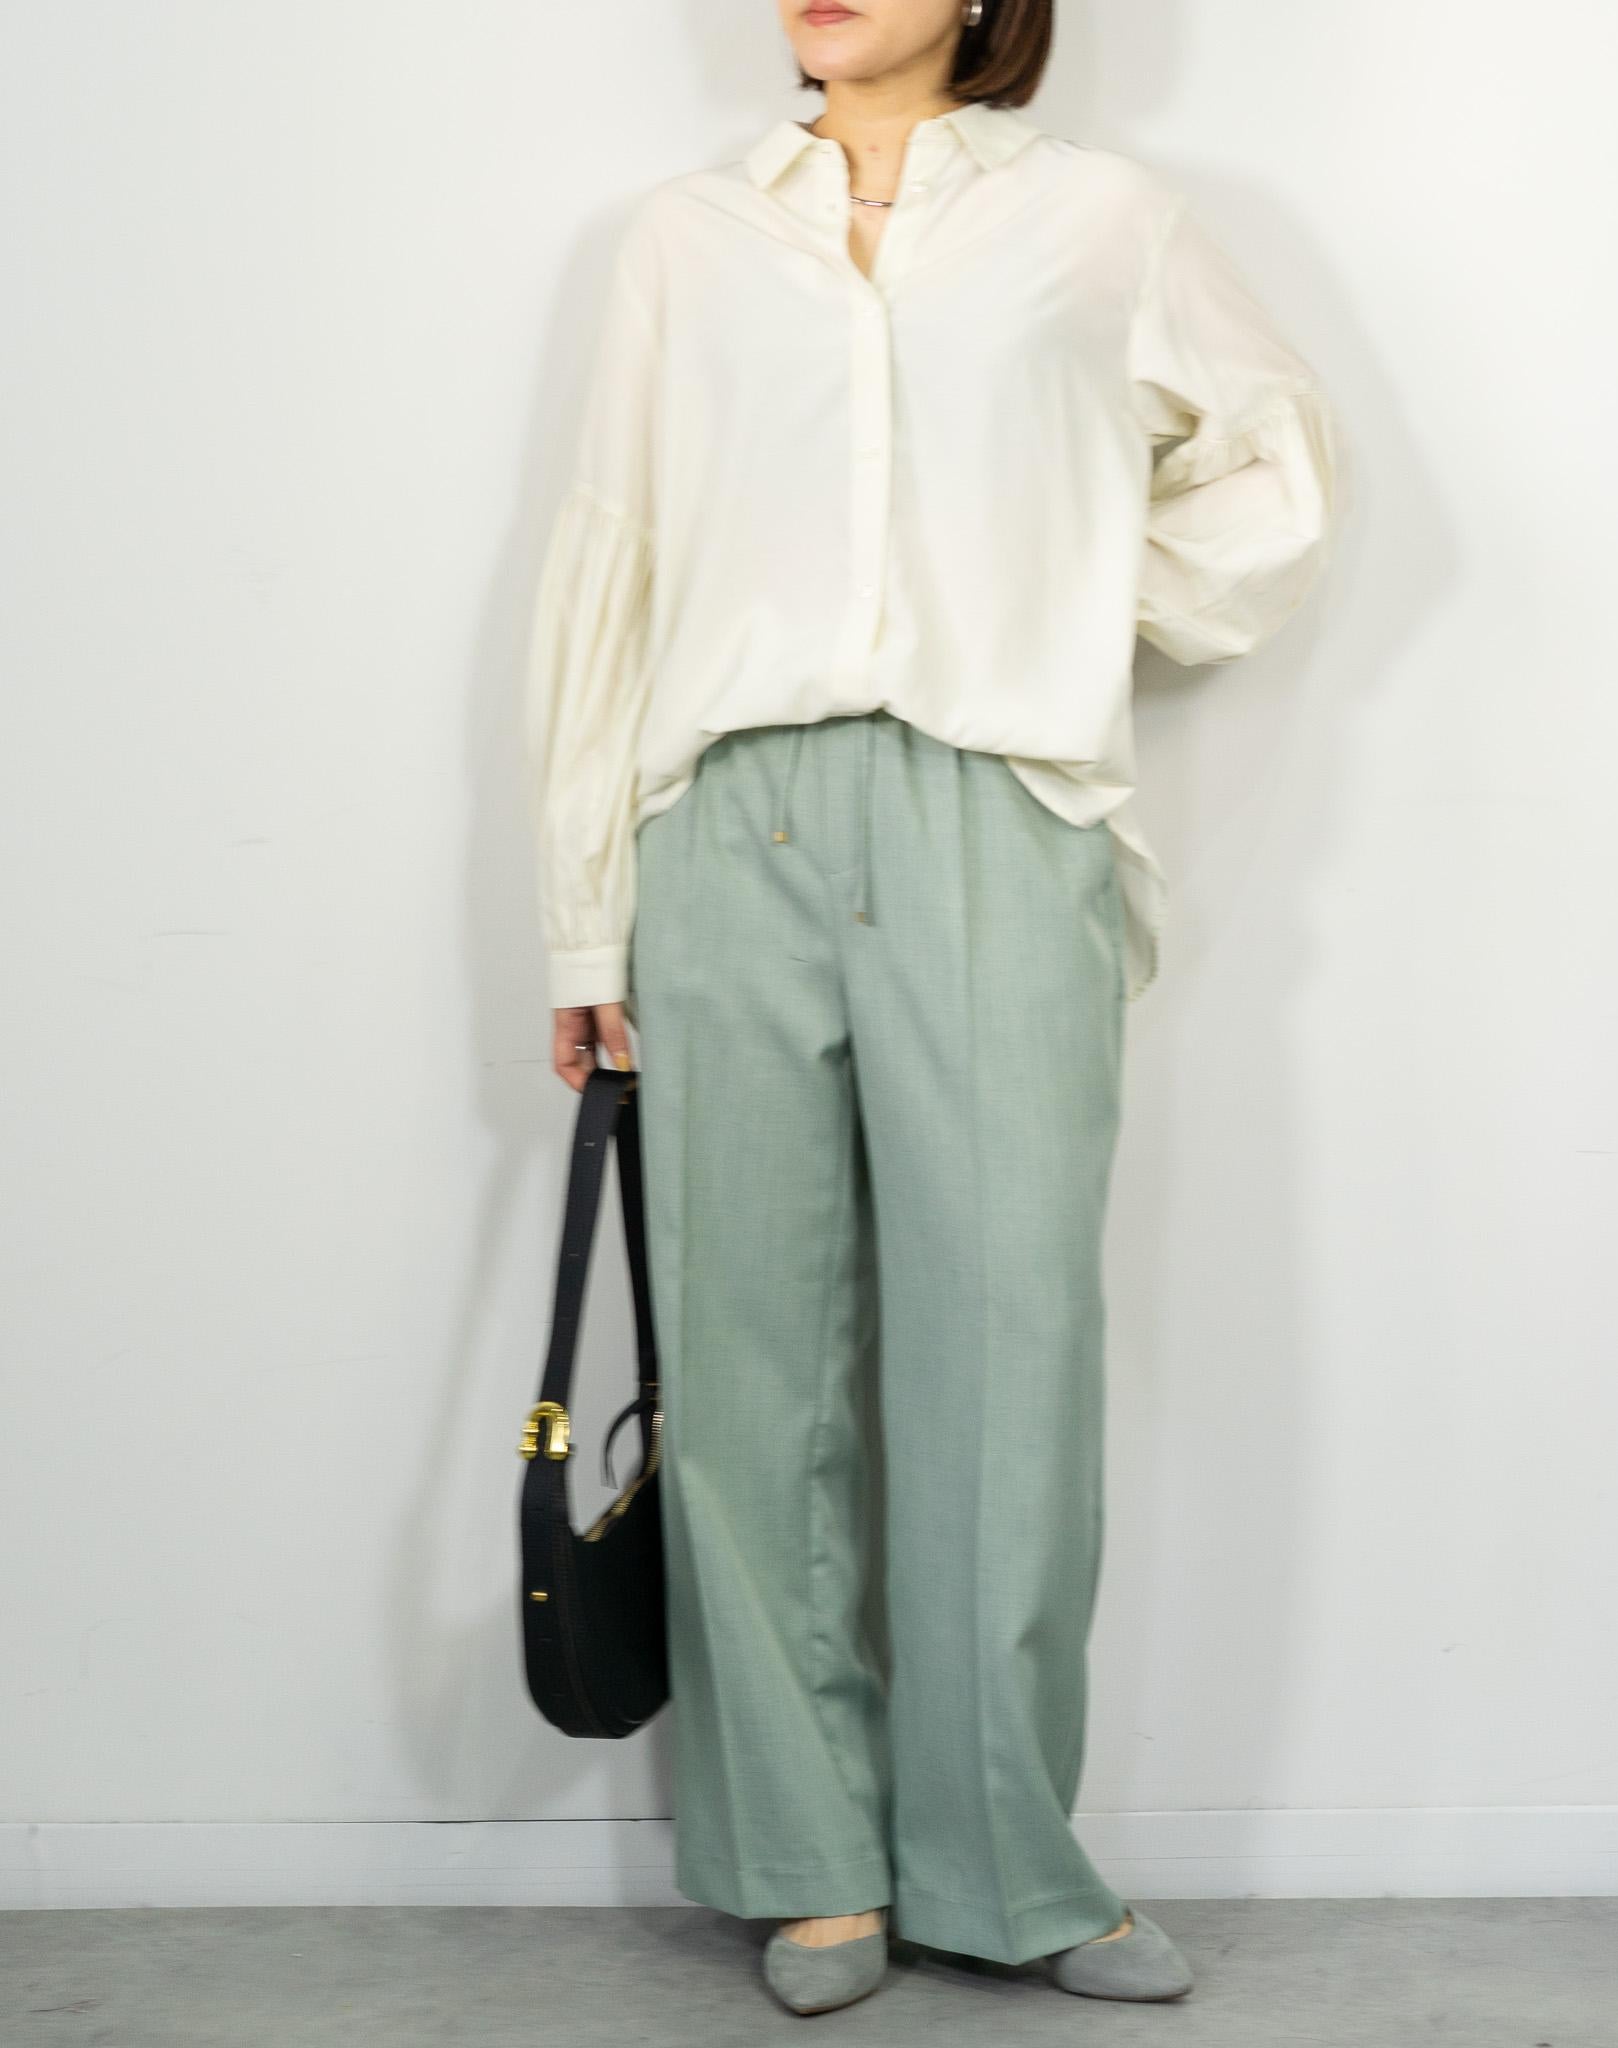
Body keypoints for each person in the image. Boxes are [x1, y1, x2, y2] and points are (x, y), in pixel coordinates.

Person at [523, 0, 1335, 2017]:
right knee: (745, 1365)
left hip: (995, 806)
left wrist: (1072, 596)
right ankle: (808, 1865)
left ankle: (1007, 1866)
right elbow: (608, 558)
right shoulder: (686, 238)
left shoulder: (1101, 220)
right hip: (728, 819)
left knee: (1010, 1350)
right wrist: (581, 922)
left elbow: (1279, 463)